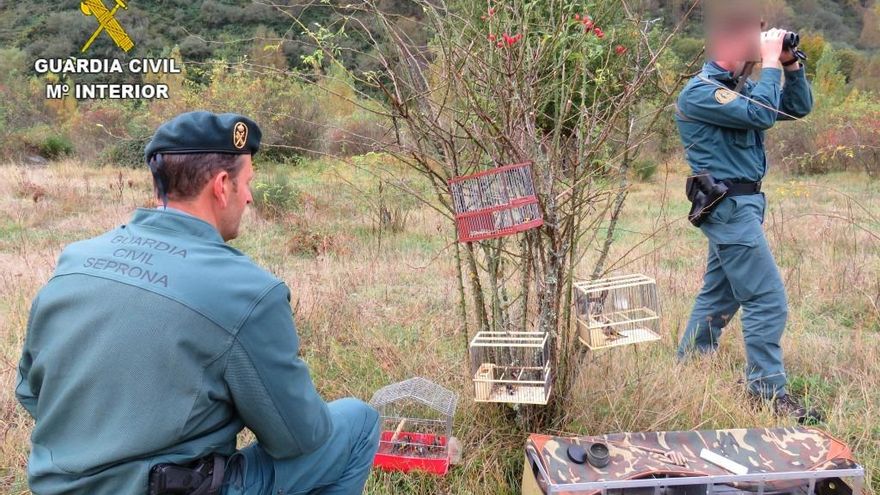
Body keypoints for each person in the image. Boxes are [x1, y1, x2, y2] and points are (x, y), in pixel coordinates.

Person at [15, 111, 380, 495]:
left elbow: (29, 391)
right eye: (248, 182)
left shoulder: (75, 259)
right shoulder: (247, 291)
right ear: (222, 186)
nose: (250, 196)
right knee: (358, 421)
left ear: (162, 188)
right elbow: (300, 438)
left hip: (54, 486)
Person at [674, 7, 820, 423]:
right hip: (728, 208)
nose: (761, 46)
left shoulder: (744, 87)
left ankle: (690, 366)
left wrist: (789, 65)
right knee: (767, 299)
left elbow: (796, 108)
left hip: (744, 206)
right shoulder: (701, 91)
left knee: (718, 295)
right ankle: (767, 393)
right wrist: (771, 64)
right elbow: (760, 115)